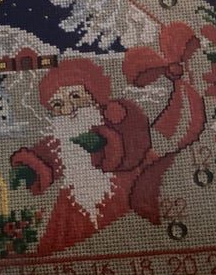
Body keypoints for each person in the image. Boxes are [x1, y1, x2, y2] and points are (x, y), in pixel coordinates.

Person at [10, 58, 173, 254]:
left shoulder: (116, 113)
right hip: (78, 196)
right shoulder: (62, 137)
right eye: (58, 105)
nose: (68, 110)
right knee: (61, 240)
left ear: (92, 94)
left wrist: (105, 142)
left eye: (75, 96)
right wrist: (29, 169)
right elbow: (47, 155)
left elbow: (136, 134)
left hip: (129, 181)